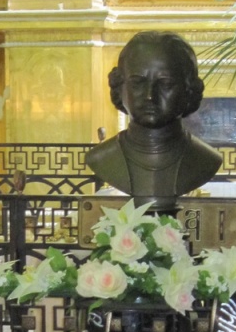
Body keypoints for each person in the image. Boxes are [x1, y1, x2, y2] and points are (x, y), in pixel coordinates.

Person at [86, 31, 221, 210]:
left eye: (165, 84)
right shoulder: (101, 158)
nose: (150, 95)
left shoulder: (205, 160)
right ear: (119, 87)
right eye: (137, 83)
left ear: (188, 89)